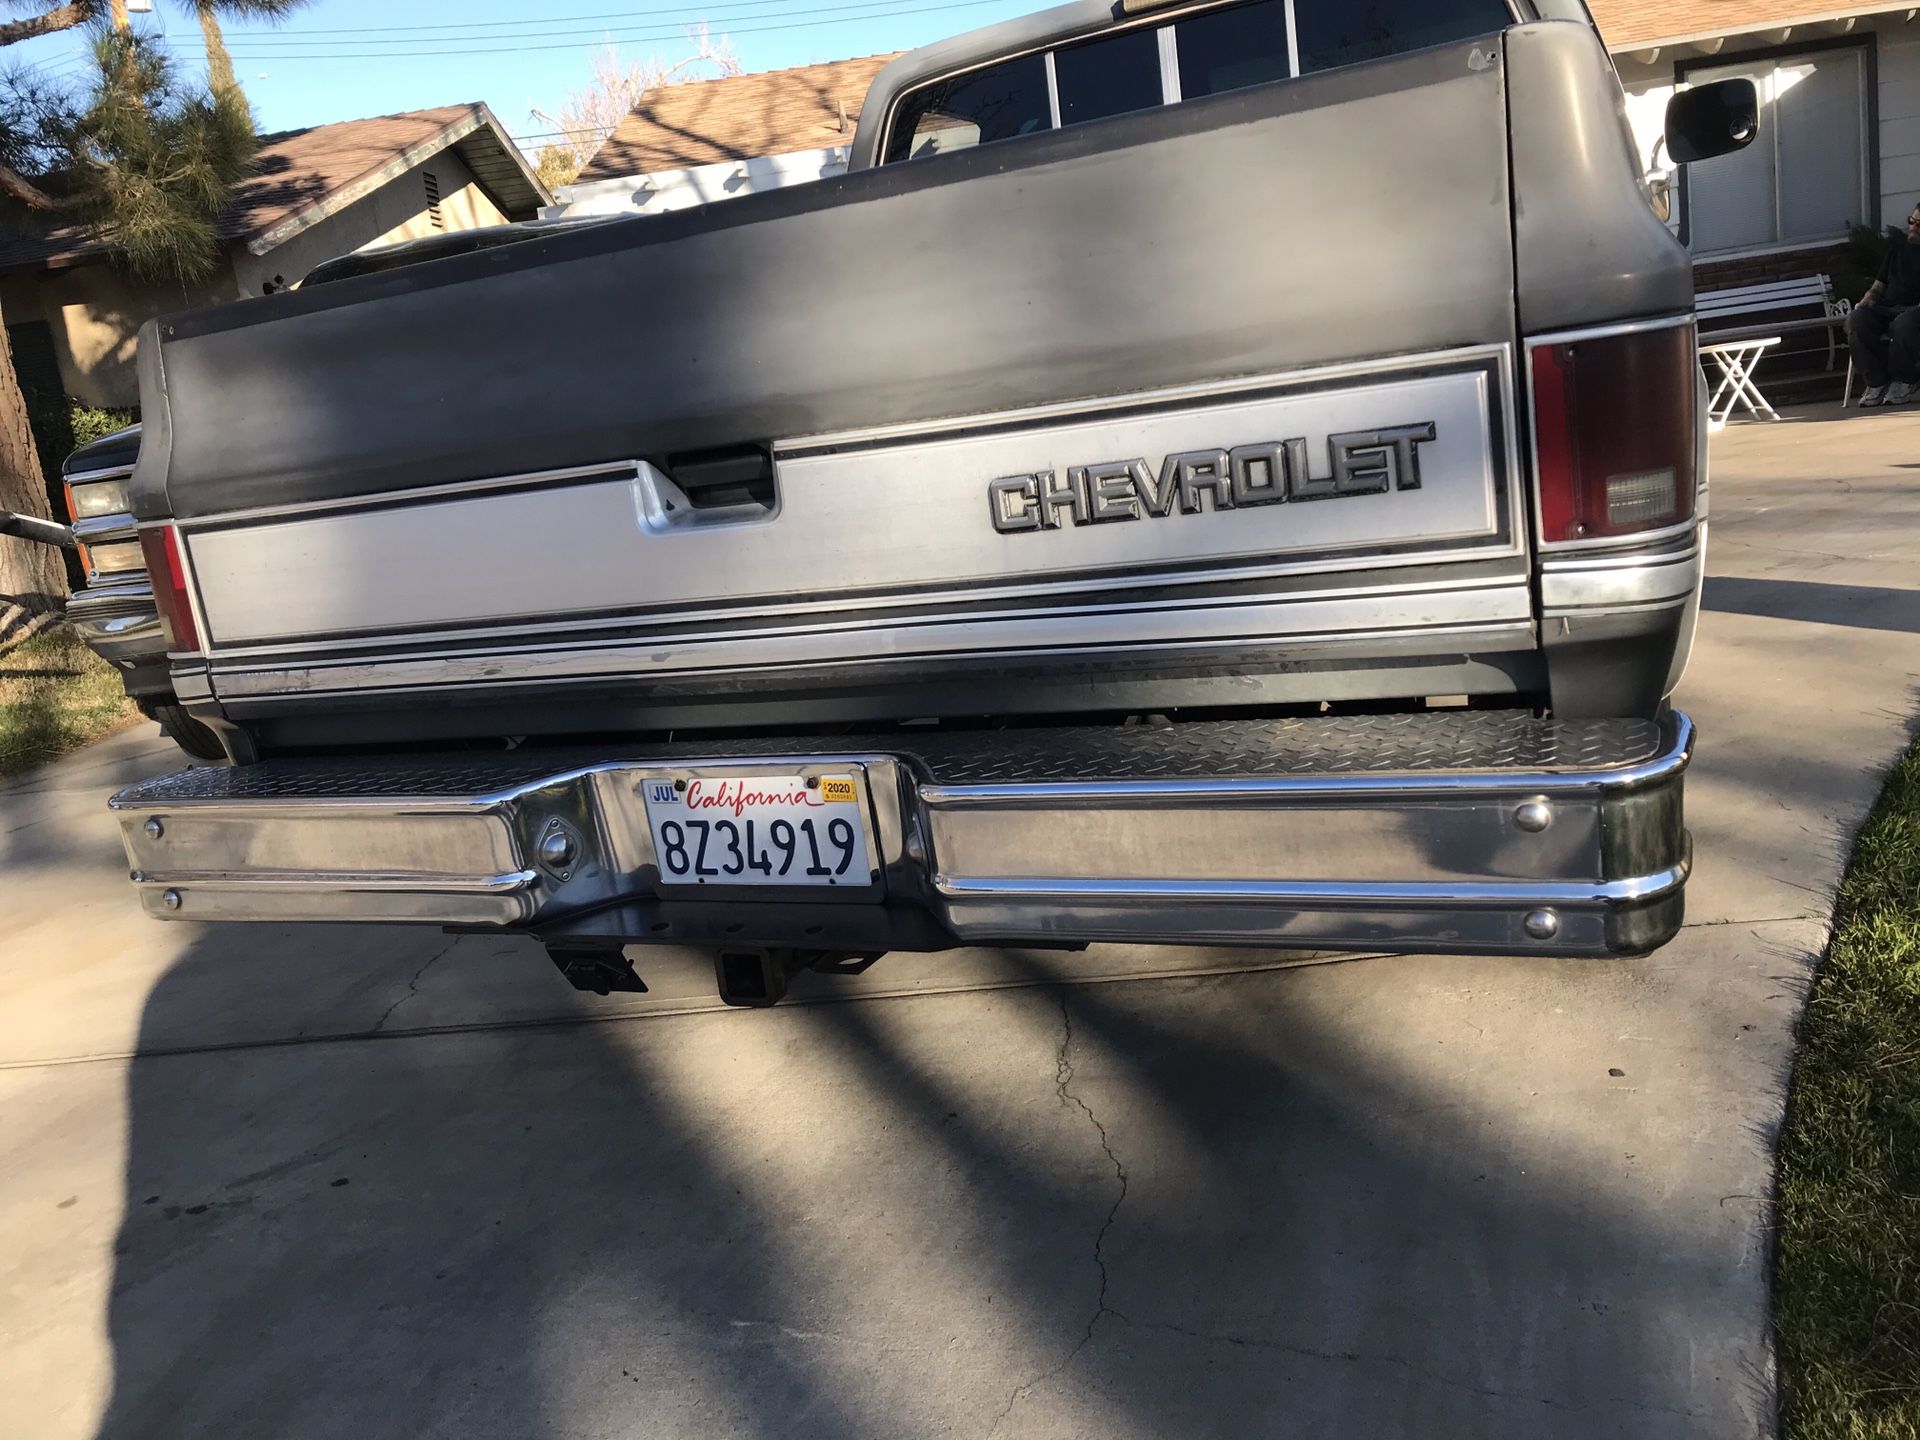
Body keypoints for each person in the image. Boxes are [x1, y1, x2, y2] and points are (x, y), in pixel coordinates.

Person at [1850, 205, 1920, 407]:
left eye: (1919, 224)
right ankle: (1877, 382)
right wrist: (1868, 298)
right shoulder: (1896, 251)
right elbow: (1878, 286)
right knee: (1857, 320)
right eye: (1911, 221)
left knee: (1903, 324)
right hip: (1886, 307)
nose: (1913, 227)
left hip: (1914, 310)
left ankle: (1905, 379)